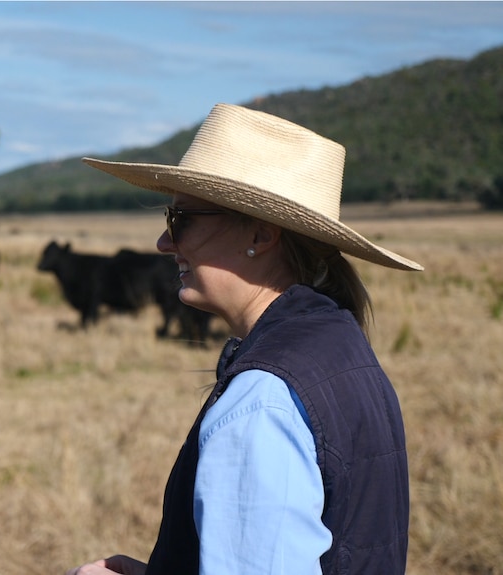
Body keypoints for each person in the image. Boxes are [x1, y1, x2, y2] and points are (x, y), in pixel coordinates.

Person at [65, 103, 422, 575]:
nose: (163, 243)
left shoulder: (264, 400)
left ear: (260, 232)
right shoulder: (337, 340)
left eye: (181, 219)